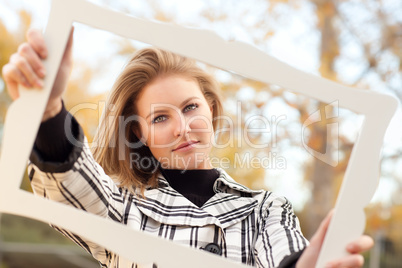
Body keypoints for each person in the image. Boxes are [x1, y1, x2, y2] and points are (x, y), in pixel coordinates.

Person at [2, 28, 373, 268]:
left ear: (210, 108)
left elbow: (287, 258)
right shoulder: (123, 207)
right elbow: (73, 184)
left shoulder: (266, 211)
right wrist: (49, 109)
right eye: (160, 118)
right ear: (139, 134)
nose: (182, 127)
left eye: (191, 107)